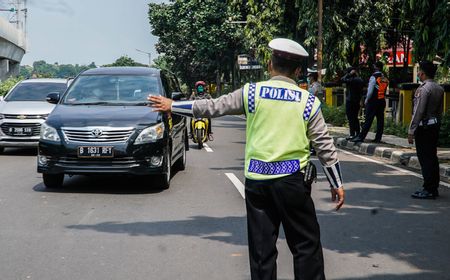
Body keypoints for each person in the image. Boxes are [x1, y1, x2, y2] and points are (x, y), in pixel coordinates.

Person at [150, 38, 345, 280]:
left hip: (257, 183)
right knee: (306, 247)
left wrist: (174, 105)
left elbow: (213, 107)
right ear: (296, 71)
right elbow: (324, 146)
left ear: (270, 65)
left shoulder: (252, 93)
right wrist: (336, 183)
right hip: (293, 184)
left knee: (262, 252)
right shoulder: (308, 102)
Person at [409, 61, 444, 199]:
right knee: (432, 157)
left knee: (425, 158)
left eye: (419, 72)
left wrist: (411, 130)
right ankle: (432, 187)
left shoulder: (423, 89)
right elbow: (440, 111)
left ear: (422, 73)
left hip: (423, 127)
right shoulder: (439, 88)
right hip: (434, 126)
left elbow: (418, 111)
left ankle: (428, 188)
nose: (418, 74)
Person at [351, 61, 388, 143]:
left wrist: (367, 100)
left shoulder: (373, 77)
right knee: (380, 121)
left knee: (368, 120)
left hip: (373, 101)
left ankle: (361, 137)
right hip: (382, 101)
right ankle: (378, 138)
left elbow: (370, 91)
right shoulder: (384, 78)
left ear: (376, 67)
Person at [341, 67, 364, 140]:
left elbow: (342, 79)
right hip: (357, 101)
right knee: (355, 117)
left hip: (350, 101)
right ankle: (357, 133)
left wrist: (349, 74)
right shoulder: (360, 80)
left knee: (351, 118)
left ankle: (352, 134)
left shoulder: (351, 80)